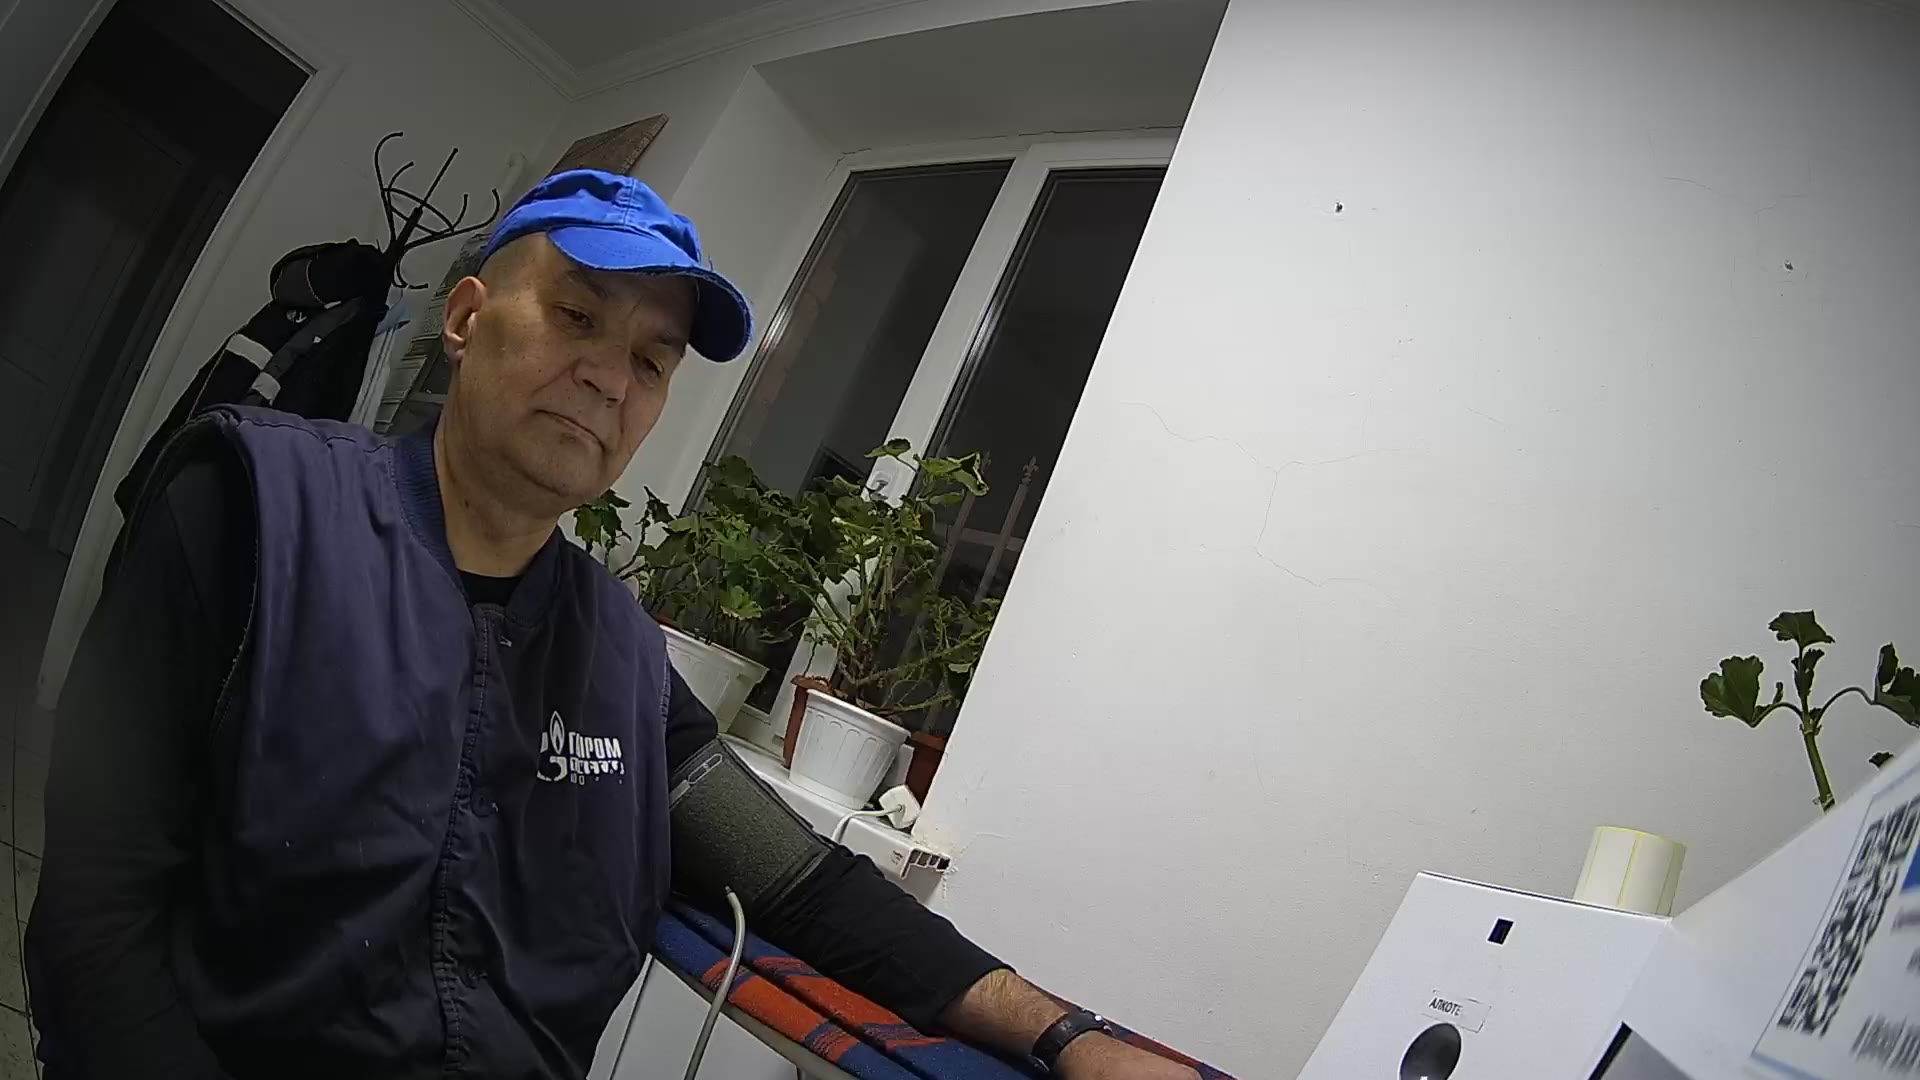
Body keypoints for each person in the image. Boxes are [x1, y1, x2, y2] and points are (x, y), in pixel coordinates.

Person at [26, 169, 1196, 1080]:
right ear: (468, 319)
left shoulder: (620, 660)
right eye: (577, 315)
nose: (609, 376)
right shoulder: (251, 513)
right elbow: (93, 922)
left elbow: (799, 884)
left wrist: (1066, 1037)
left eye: (650, 359)